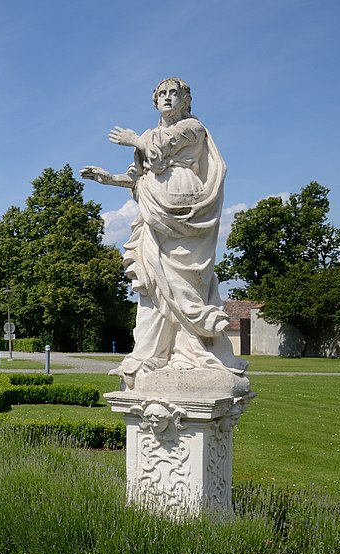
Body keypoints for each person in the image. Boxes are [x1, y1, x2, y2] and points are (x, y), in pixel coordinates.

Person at [81, 77, 246, 389]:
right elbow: (137, 174)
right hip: (152, 210)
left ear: (185, 101)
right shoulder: (148, 135)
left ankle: (190, 351)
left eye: (175, 93)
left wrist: (134, 139)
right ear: (155, 101)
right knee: (153, 287)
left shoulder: (193, 128)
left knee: (188, 283)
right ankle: (151, 355)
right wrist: (108, 178)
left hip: (185, 209)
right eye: (162, 94)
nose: (168, 98)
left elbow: (158, 155)